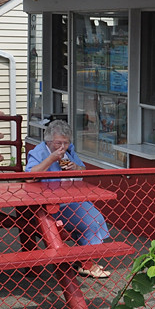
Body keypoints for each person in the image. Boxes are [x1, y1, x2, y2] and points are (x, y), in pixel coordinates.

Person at [25, 119, 111, 278]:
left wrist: (76, 168)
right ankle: (86, 263)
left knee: (97, 220)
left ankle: (84, 261)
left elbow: (83, 170)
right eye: (58, 143)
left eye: (65, 143)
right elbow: (30, 177)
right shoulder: (39, 152)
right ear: (49, 141)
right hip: (51, 205)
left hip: (73, 199)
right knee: (92, 220)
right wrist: (51, 159)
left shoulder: (69, 151)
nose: (62, 147)